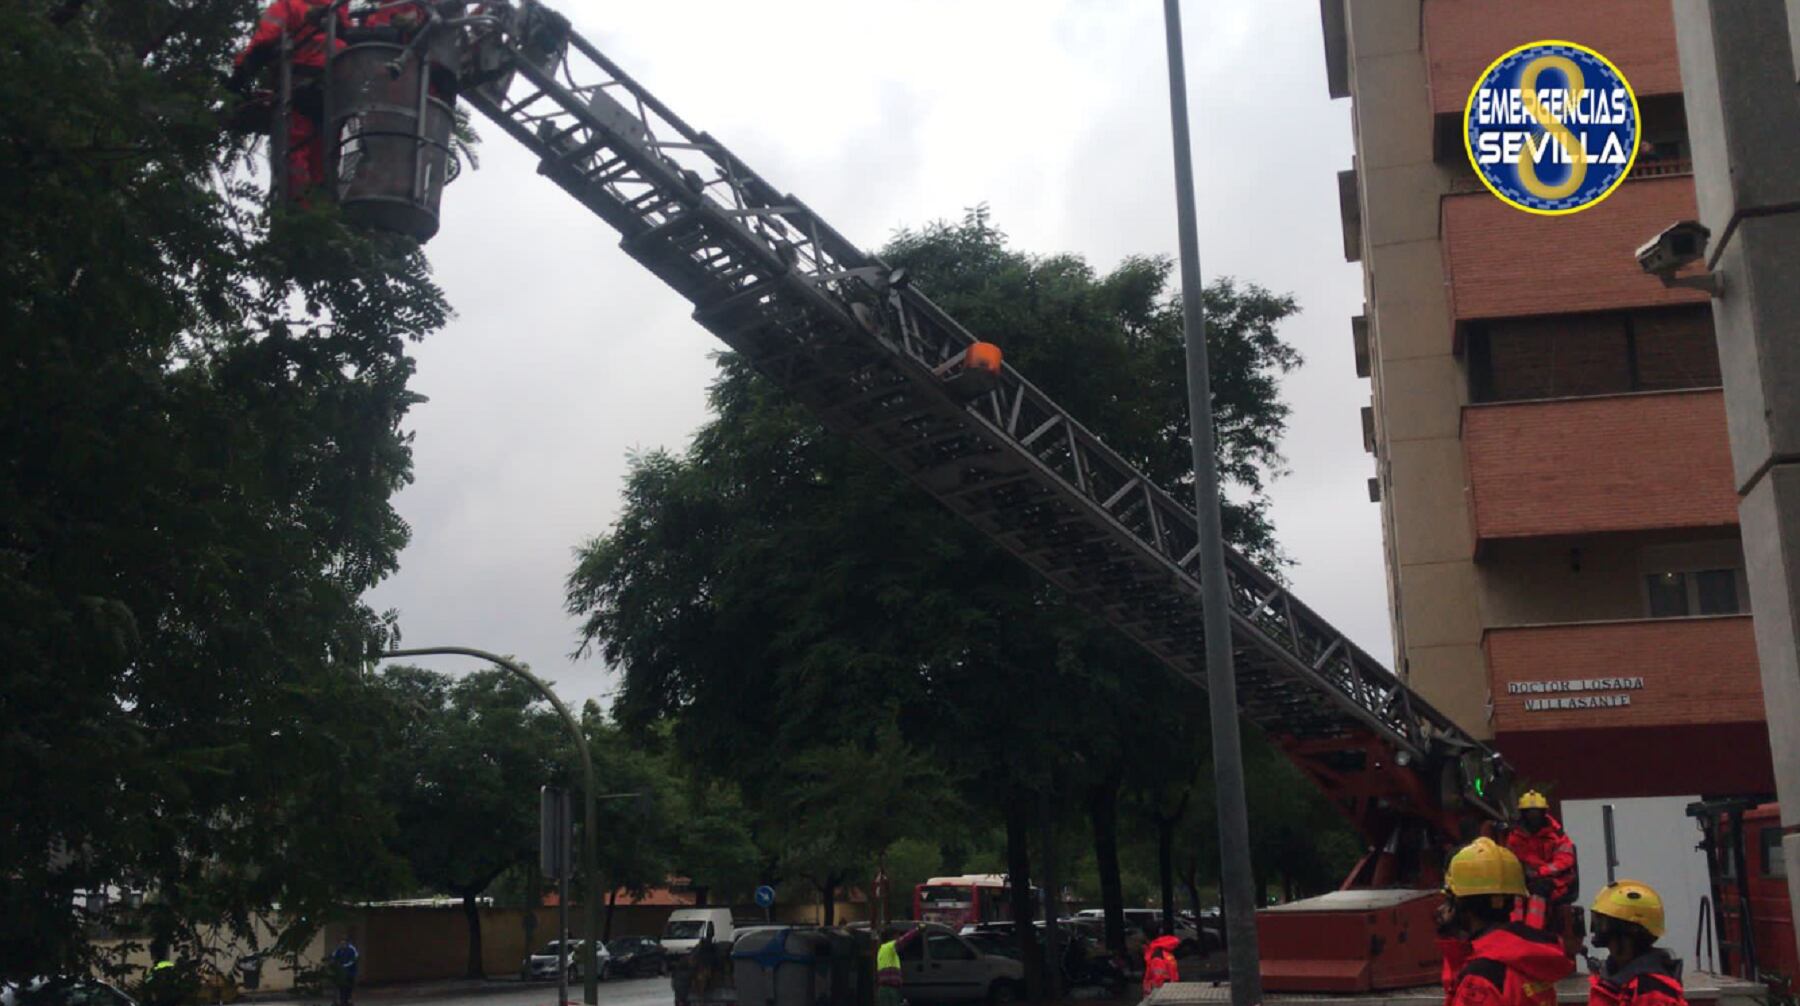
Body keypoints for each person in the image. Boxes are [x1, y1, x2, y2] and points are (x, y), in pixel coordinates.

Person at [1436, 838, 1574, 1006]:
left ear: (1461, 903)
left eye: (1449, 900)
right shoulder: (1529, 958)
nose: (1442, 908)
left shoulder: (1481, 977)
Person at [1587, 881, 1688, 1006]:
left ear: (1629, 931)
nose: (1597, 930)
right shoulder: (1612, 979)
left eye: (1603, 923)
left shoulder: (1651, 990)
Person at [1505, 791, 1578, 932]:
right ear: (1523, 814)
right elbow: (1509, 858)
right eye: (1529, 812)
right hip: (1523, 879)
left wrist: (1540, 872)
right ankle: (1515, 930)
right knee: (1515, 894)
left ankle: (1534, 931)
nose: (1533, 817)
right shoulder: (1515, 836)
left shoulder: (1556, 835)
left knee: (1538, 891)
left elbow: (1565, 859)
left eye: (1536, 812)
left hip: (1555, 881)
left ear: (1543, 813)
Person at [875, 926, 921, 1006]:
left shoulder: (882, 950)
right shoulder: (889, 946)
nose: (898, 938)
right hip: (890, 989)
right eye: (897, 936)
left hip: (883, 989)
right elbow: (904, 939)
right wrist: (917, 930)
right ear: (892, 936)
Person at [1141, 931, 1181, 1000]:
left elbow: (1159, 979)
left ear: (1146, 938)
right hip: (1171, 989)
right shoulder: (1164, 952)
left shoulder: (1156, 955)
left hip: (1160, 995)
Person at [330, 934, 360, 1006]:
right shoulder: (339, 950)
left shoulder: (351, 950)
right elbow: (333, 956)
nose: (342, 944)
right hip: (341, 973)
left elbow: (354, 959)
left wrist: (345, 966)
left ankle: (349, 1001)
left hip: (350, 972)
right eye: (341, 943)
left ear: (347, 943)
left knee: (349, 988)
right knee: (341, 988)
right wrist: (333, 963)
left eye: (343, 943)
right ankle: (342, 1001)